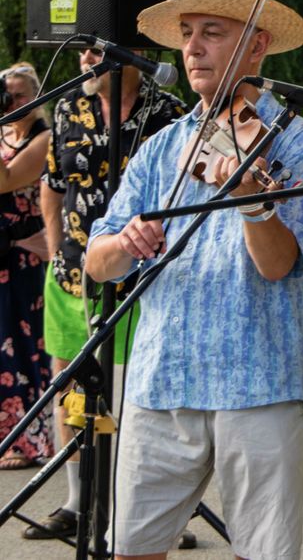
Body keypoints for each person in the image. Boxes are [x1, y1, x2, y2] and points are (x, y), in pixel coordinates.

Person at [85, 0, 303, 560]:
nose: (192, 47)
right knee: (131, 550)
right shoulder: (163, 146)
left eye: (212, 32)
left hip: (258, 382)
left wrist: (252, 199)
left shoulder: (294, 140)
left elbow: (277, 266)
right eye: (188, 33)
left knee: (265, 553)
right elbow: (97, 263)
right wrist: (128, 240)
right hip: (161, 378)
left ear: (256, 44)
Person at [25, 46, 186, 541]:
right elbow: (53, 185)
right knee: (71, 387)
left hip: (144, 276)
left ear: (132, 54)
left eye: (97, 50)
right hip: (73, 271)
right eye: (83, 51)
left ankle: (159, 511)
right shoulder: (69, 106)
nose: (86, 59)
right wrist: (57, 249)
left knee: (149, 392)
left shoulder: (169, 113)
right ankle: (78, 500)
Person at [0, 63, 52, 470]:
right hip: (3, 251)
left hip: (25, 256)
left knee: (23, 346)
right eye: (7, 95)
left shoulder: (44, 138)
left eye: (20, 95)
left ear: (35, 97)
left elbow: (6, 180)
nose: (13, 102)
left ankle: (27, 440)